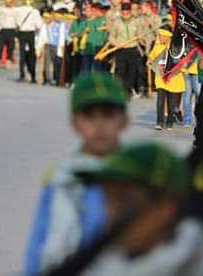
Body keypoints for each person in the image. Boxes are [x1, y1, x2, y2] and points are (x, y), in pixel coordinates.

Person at [24, 73, 129, 275]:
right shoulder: (61, 179)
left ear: (124, 120)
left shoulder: (141, 177)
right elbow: (39, 244)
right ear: (75, 123)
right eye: (89, 115)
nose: (99, 125)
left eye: (108, 114)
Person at [79, 143, 203, 276]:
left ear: (166, 208)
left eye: (123, 201)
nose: (110, 214)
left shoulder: (201, 264)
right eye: (107, 199)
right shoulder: (102, 261)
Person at [148, 29, 186, 130]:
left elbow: (183, 64)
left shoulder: (177, 49)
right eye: (160, 35)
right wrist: (151, 62)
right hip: (160, 79)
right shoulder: (157, 47)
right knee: (160, 102)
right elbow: (150, 60)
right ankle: (159, 122)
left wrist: (177, 69)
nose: (160, 38)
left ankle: (170, 122)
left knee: (171, 104)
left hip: (174, 80)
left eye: (163, 36)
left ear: (168, 37)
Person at [107, 2, 142, 98]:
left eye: (127, 12)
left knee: (131, 71)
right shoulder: (116, 22)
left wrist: (140, 37)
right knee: (120, 71)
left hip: (132, 48)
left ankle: (128, 91)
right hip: (121, 49)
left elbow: (139, 34)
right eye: (123, 12)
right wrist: (116, 44)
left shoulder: (135, 21)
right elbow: (111, 37)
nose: (125, 14)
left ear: (130, 12)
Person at [16, 0, 44, 83]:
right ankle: (32, 76)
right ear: (32, 1)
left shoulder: (19, 10)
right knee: (32, 55)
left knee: (22, 55)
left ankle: (22, 75)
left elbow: (16, 22)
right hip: (31, 33)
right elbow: (39, 25)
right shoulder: (35, 11)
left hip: (22, 33)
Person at [0, 0, 17, 70]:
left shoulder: (15, 10)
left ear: (12, 2)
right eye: (6, 1)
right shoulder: (1, 10)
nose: (8, 3)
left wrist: (17, 33)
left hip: (12, 30)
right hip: (3, 30)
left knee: (10, 48)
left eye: (9, 1)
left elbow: (17, 21)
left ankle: (8, 62)